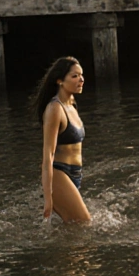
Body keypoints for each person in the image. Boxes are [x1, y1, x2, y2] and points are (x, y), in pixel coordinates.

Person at [33, 57, 92, 224]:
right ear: (60, 80)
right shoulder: (55, 109)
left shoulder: (71, 104)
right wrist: (48, 198)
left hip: (75, 174)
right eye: (74, 76)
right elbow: (47, 156)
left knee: (73, 229)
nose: (81, 79)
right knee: (84, 223)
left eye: (81, 75)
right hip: (59, 174)